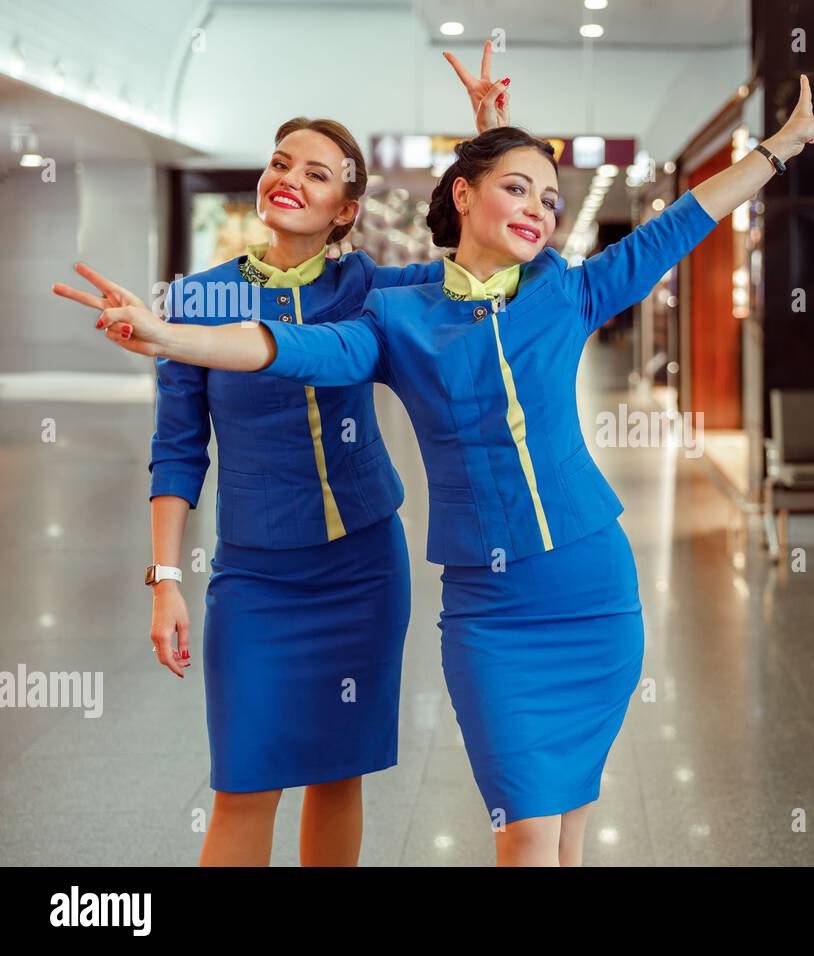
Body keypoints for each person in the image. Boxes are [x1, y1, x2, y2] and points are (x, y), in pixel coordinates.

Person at [77, 75, 814, 866]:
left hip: (590, 588)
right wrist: (172, 337)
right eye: (517, 190)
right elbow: (293, 348)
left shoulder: (559, 291)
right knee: (524, 821)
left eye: (550, 199)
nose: (540, 209)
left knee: (560, 825)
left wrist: (779, 150)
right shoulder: (395, 313)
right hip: (481, 604)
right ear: (464, 195)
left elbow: (686, 219)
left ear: (346, 209)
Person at [51, 41, 514, 867]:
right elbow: (177, 451)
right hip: (256, 574)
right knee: (244, 781)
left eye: (315, 171)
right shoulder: (195, 302)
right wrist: (165, 583)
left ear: (345, 208)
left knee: (339, 777)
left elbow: (488, 267)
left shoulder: (371, 288)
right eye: (278, 162)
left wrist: (492, 135)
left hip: (364, 563)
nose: (287, 177)